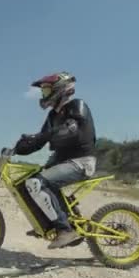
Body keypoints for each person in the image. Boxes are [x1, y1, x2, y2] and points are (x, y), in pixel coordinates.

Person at [11, 71, 97, 249]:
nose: (43, 95)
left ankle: (65, 230)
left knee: (36, 183)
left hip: (81, 162)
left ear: (59, 90)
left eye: (46, 90)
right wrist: (19, 147)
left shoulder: (76, 105)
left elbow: (71, 129)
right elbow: (39, 142)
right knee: (23, 184)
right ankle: (47, 225)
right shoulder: (52, 117)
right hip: (60, 161)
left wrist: (44, 135)